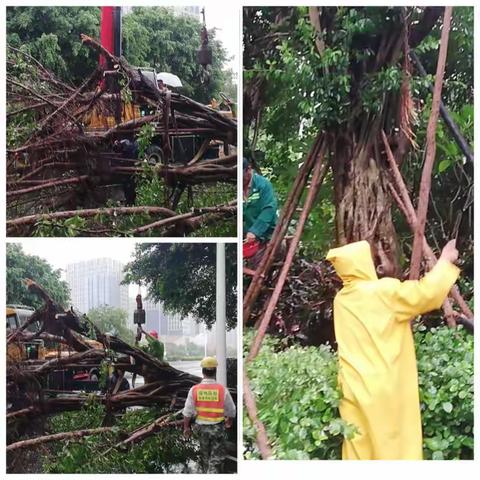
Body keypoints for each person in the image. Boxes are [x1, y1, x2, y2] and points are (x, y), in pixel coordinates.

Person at [325, 239, 460, 460]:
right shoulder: (383, 291)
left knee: (359, 447)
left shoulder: (341, 299)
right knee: (392, 446)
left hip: (352, 388)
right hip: (385, 387)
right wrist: (445, 260)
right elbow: (425, 295)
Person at [183, 357, 236, 473]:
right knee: (216, 460)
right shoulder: (222, 390)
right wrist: (229, 420)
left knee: (205, 458)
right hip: (217, 429)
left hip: (201, 429)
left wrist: (186, 427)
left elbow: (187, 412)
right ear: (215, 371)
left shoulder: (194, 390)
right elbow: (231, 410)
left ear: (202, 372)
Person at [243, 157, 278, 265]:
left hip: (266, 236)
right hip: (247, 240)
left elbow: (269, 209)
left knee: (259, 264)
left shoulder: (263, 185)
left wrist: (255, 231)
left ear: (248, 170)